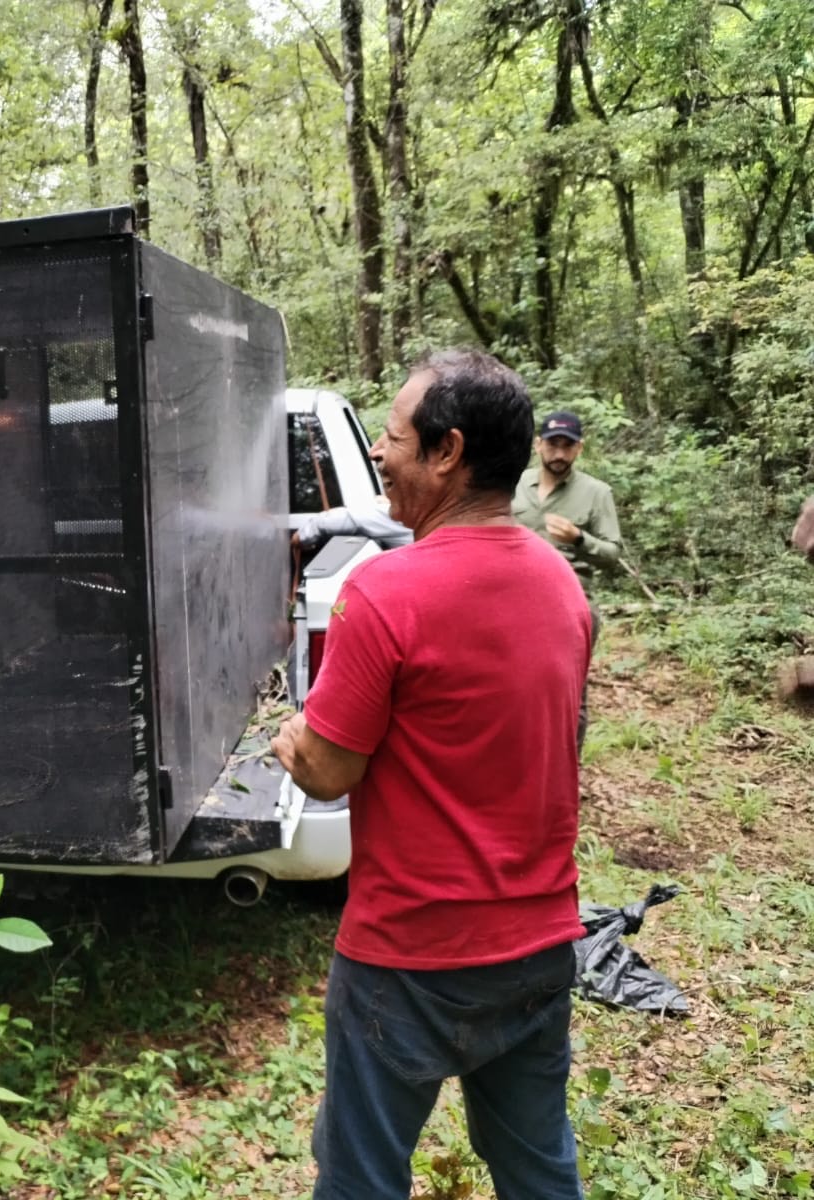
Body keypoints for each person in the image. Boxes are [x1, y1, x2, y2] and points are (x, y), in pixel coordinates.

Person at [270, 350, 591, 1200]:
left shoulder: (383, 593)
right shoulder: (562, 588)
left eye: (391, 435)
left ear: (445, 452)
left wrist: (288, 737)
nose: (379, 452)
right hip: (539, 943)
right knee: (538, 1168)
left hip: (408, 959)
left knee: (361, 1180)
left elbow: (329, 771)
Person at [511, 410, 621, 748]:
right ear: (538, 444)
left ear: (579, 449)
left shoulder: (596, 492)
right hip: (512, 602)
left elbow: (613, 554)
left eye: (567, 446)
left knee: (570, 696)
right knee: (512, 686)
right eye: (553, 444)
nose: (559, 454)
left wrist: (579, 539)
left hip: (570, 604)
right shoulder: (513, 483)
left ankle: (564, 776)